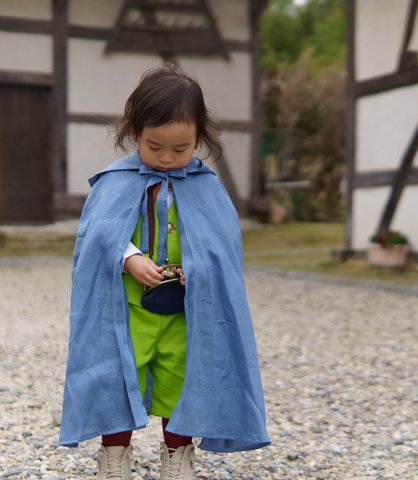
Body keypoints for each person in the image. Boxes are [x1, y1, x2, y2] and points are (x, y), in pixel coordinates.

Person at [59, 64, 270, 480]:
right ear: (135, 133)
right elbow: (99, 235)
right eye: (155, 147)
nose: (168, 158)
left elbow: (220, 246)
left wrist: (200, 269)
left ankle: (178, 456)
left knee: (182, 378)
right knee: (116, 376)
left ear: (200, 138)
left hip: (184, 313)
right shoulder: (115, 181)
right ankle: (114, 457)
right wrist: (128, 256)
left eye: (181, 148)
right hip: (126, 310)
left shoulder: (207, 186)